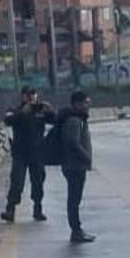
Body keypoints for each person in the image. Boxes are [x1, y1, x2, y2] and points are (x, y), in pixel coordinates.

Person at [1, 86, 55, 223]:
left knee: (38, 182)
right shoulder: (16, 110)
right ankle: (10, 209)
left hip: (37, 153)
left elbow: (55, 121)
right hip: (20, 153)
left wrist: (50, 111)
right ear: (22, 96)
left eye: (33, 94)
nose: (31, 97)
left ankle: (38, 209)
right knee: (17, 182)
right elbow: (7, 120)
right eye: (28, 94)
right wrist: (22, 113)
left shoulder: (40, 111)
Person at [56, 91, 95, 244]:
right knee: (74, 199)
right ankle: (76, 231)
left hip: (74, 165)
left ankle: (77, 230)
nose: (88, 106)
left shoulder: (77, 119)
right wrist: (86, 157)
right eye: (86, 103)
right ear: (78, 104)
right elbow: (72, 142)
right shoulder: (74, 120)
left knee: (74, 199)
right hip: (74, 166)